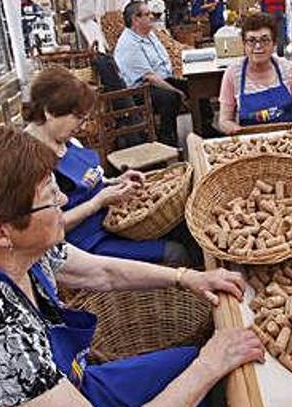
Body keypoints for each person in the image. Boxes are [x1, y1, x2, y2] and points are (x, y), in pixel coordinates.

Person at [0, 123, 263, 407]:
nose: (63, 199)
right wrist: (211, 365)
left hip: (70, 383)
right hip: (54, 393)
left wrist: (188, 277)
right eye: (48, 197)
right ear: (1, 232)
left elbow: (98, 271)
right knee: (208, 375)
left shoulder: (12, 250)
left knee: (191, 363)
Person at [24, 67, 191, 265]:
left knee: (184, 226)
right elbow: (46, 229)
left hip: (113, 224)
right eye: (78, 118)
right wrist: (97, 203)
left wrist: (116, 181)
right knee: (176, 252)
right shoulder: (30, 161)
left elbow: (93, 181)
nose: (83, 127)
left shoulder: (67, 141)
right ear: (49, 111)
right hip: (86, 245)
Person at [217, 13, 292, 134]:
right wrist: (240, 133)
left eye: (265, 40)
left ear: (274, 43)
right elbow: (224, 121)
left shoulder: (287, 69)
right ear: (244, 44)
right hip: (250, 143)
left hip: (288, 140)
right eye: (251, 41)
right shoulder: (233, 74)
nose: (258, 46)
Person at [114, 1, 188, 145]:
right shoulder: (129, 45)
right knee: (170, 97)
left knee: (194, 84)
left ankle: (205, 128)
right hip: (140, 91)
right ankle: (167, 140)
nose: (152, 17)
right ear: (135, 19)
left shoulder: (149, 34)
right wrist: (177, 91)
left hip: (161, 79)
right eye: (147, 15)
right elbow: (150, 77)